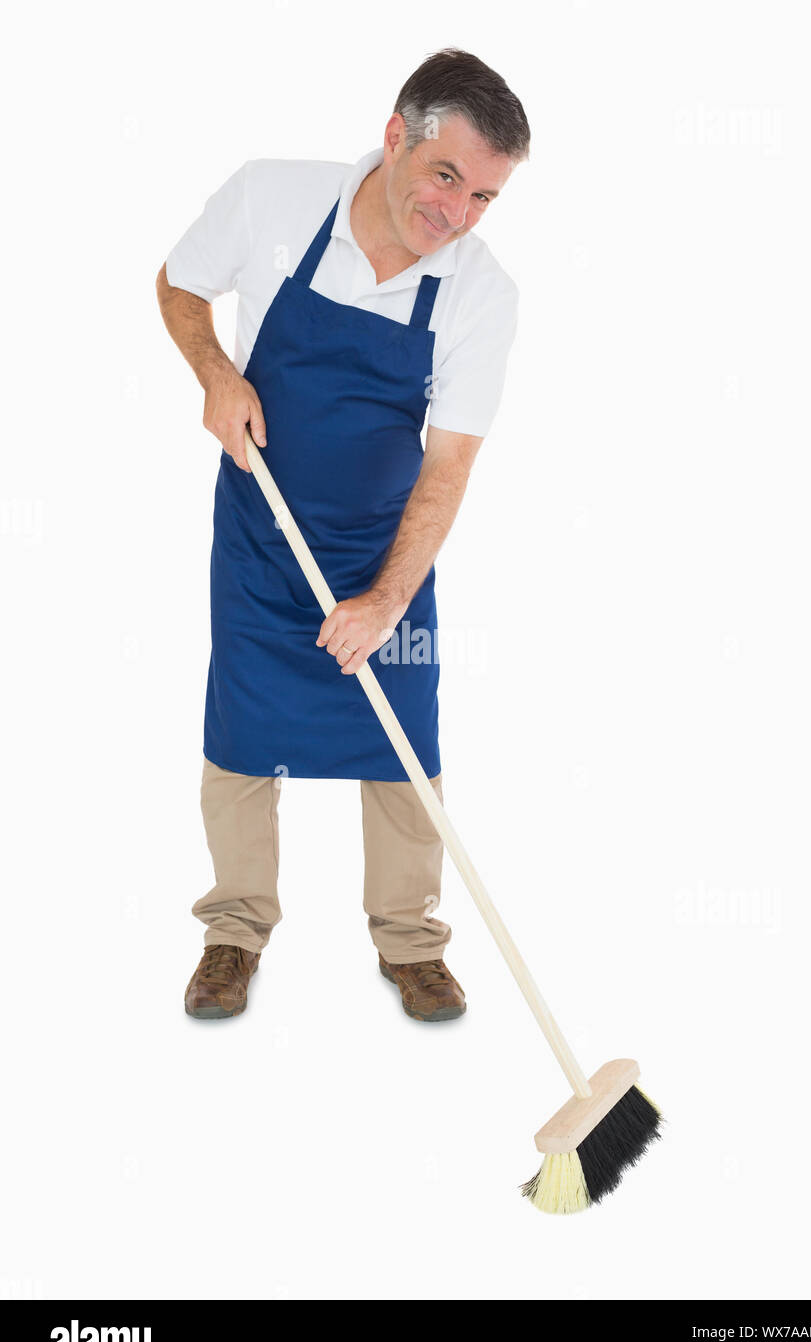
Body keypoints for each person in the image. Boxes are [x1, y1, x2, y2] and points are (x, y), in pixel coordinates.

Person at [156, 48, 529, 1022]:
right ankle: (233, 930)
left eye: (483, 195)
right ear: (395, 134)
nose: (454, 212)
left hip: (381, 551)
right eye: (445, 174)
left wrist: (385, 600)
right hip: (260, 536)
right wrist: (215, 374)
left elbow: (445, 469)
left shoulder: (480, 294)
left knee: (404, 737)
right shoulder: (272, 199)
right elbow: (179, 284)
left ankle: (410, 941)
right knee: (239, 735)